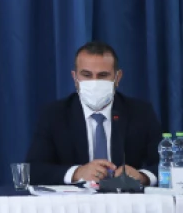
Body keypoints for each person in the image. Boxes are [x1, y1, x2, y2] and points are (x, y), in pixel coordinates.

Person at [26, 41, 162, 186]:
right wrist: (77, 173)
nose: (94, 82)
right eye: (86, 75)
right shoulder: (54, 114)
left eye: (103, 75)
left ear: (117, 78)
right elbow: (33, 170)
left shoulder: (141, 112)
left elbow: (166, 164)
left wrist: (142, 176)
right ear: (75, 78)